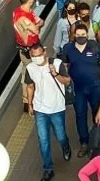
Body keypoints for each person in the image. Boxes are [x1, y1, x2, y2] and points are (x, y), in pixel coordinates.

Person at [60, 23, 100, 158]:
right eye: (79, 34)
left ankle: (98, 140)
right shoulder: (68, 48)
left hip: (94, 87)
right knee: (80, 115)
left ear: (87, 35)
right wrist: (66, 79)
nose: (81, 37)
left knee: (97, 113)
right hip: (78, 89)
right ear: (74, 35)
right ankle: (84, 143)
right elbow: (64, 65)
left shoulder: (94, 46)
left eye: (83, 34)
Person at [25, 44, 71, 181]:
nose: (37, 58)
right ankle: (48, 168)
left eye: (39, 55)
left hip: (57, 108)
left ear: (44, 52)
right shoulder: (30, 68)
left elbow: (67, 81)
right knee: (43, 140)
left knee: (60, 136)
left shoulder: (57, 63)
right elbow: (30, 86)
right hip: (40, 110)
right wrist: (30, 104)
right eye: (34, 56)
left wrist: (55, 74)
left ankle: (66, 146)